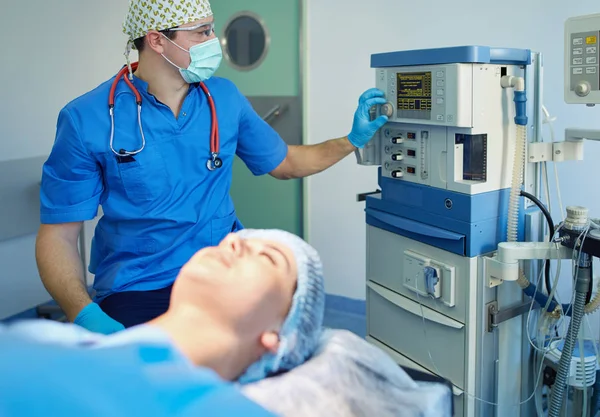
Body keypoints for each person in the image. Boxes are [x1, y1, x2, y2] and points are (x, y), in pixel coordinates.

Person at [35, 0, 388, 335]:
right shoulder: (87, 118)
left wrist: (351, 140)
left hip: (223, 272)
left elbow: (287, 163)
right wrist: (83, 313)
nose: (213, 42)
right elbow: (59, 235)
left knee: (269, 361)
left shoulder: (224, 98)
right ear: (157, 40)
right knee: (155, 382)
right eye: (202, 32)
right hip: (138, 285)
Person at [2, 229, 325, 417]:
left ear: (278, 336)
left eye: (268, 257)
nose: (235, 242)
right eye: (232, 240)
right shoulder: (44, 336)